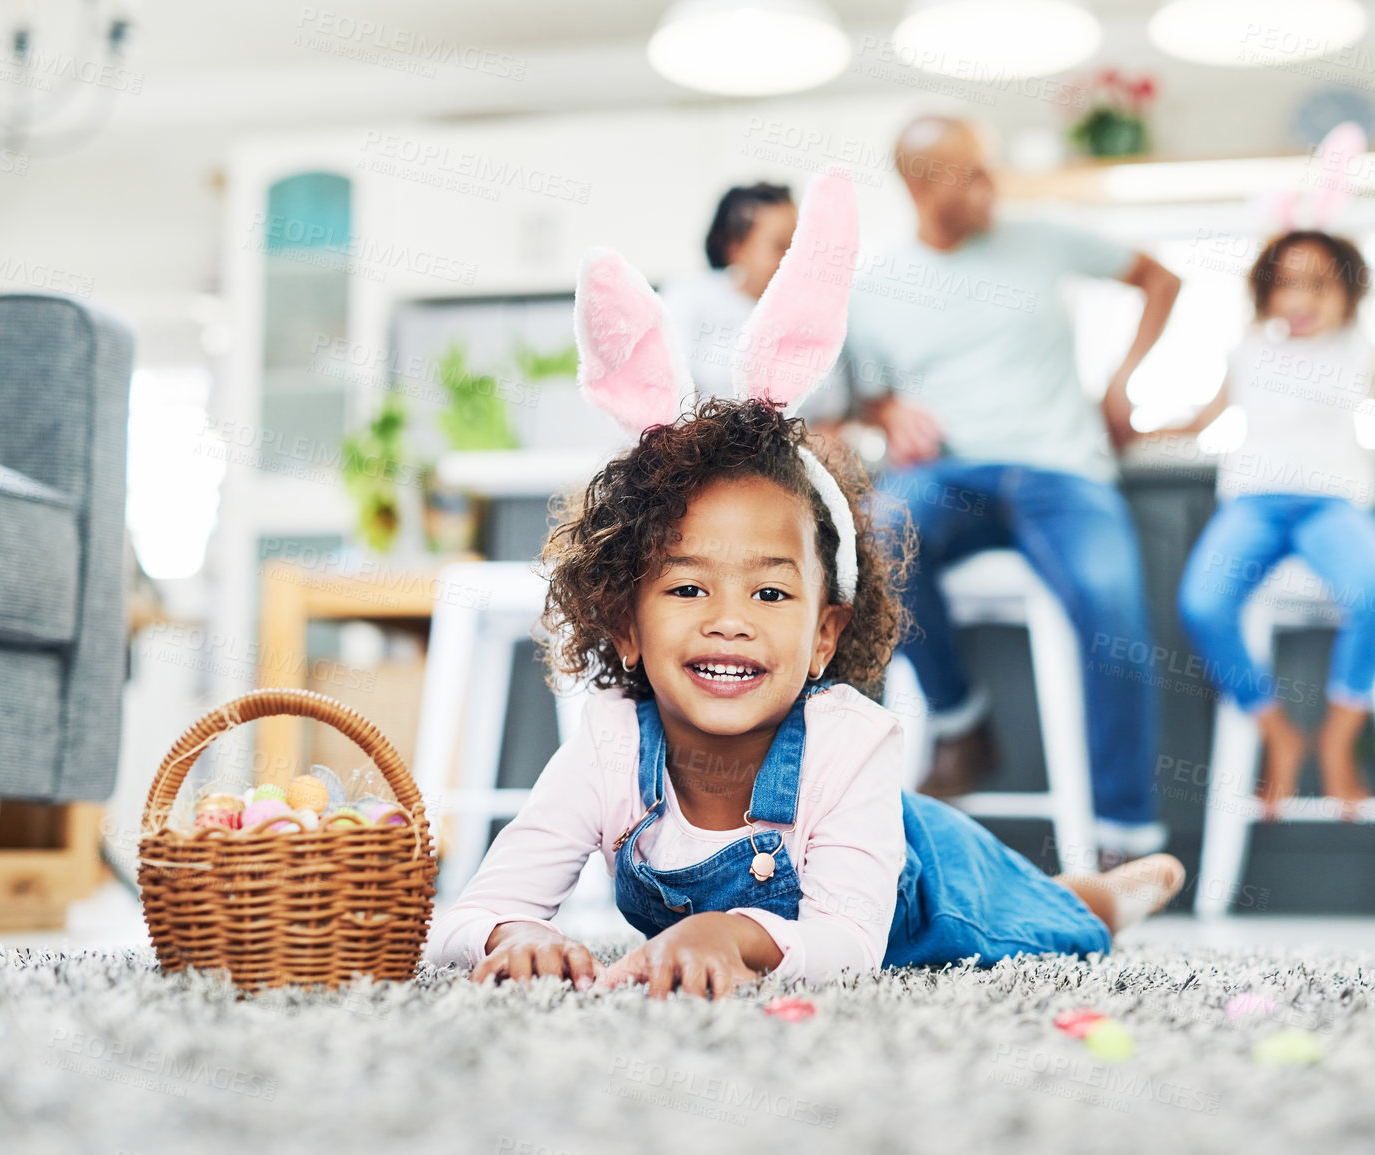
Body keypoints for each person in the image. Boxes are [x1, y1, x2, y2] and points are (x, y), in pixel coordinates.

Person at [423, 173, 1185, 997]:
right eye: (686, 590)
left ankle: (1109, 890)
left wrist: (723, 929)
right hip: (843, 862)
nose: (729, 622)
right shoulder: (608, 745)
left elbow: (848, 942)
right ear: (624, 626)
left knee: (1046, 922)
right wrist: (515, 928)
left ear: (825, 633)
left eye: (771, 594)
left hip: (928, 883)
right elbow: (462, 915)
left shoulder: (850, 738)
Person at [844, 115, 1182, 868]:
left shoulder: (1042, 238)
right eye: (966, 173)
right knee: (874, 532)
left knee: (1109, 603)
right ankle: (962, 722)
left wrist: (1121, 382)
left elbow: (1159, 277)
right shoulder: (874, 289)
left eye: (985, 167)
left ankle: (1125, 837)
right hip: (950, 472)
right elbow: (867, 395)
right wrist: (888, 409)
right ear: (916, 184)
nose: (988, 185)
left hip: (1062, 471)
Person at [1156, 230, 1375, 818]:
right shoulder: (1245, 352)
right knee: (1202, 604)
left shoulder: (1357, 352)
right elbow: (1201, 421)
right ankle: (1276, 732)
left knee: (1373, 592)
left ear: (1349, 292)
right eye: (1287, 283)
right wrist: (1136, 431)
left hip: (1333, 506)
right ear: (1265, 292)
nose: (1301, 298)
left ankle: (1339, 739)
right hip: (1253, 504)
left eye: (1319, 285)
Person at [662, 182, 797, 402]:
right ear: (735, 248)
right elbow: (668, 395)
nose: (793, 257)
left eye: (799, 243)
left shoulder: (811, 314)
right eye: (779, 245)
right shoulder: (688, 298)